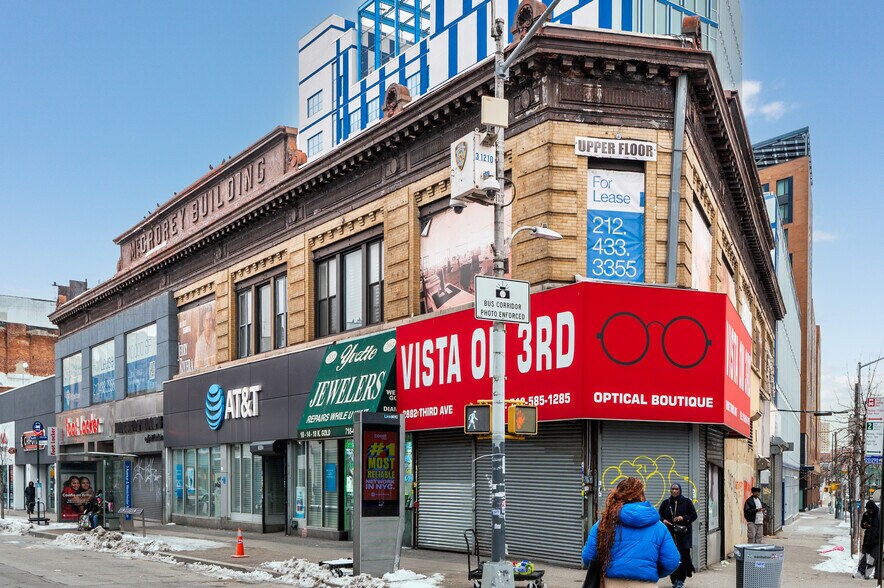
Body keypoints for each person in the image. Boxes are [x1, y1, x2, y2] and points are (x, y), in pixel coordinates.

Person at [583, 477, 680, 587]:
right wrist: (650, 571)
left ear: (618, 495)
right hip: (645, 584)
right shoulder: (659, 527)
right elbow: (672, 561)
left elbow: (588, 557)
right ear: (641, 496)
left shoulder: (603, 524)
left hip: (610, 583)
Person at [659, 482, 698, 588]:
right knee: (672, 558)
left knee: (683, 558)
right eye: (672, 489)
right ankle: (674, 580)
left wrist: (683, 518)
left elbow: (693, 515)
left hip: (683, 536)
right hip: (669, 536)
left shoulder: (687, 502)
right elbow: (659, 516)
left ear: (680, 490)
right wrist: (664, 520)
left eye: (676, 489)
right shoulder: (666, 503)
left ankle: (681, 580)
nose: (674, 491)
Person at [858, 500, 881, 579]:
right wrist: (864, 525)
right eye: (867, 509)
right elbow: (862, 524)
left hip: (876, 542)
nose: (869, 511)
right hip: (867, 540)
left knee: (872, 558)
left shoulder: (879, 516)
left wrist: (878, 537)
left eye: (870, 509)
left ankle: (868, 573)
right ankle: (861, 572)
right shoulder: (866, 514)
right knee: (863, 557)